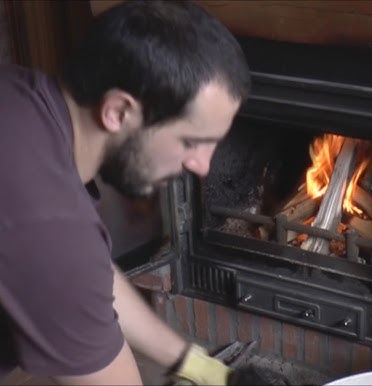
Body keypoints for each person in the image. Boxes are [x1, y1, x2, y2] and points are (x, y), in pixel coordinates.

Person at [0, 0, 251, 384]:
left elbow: (90, 273)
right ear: (117, 111)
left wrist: (199, 366)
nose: (202, 166)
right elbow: (70, 263)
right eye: (191, 141)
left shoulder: (22, 102)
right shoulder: (49, 224)